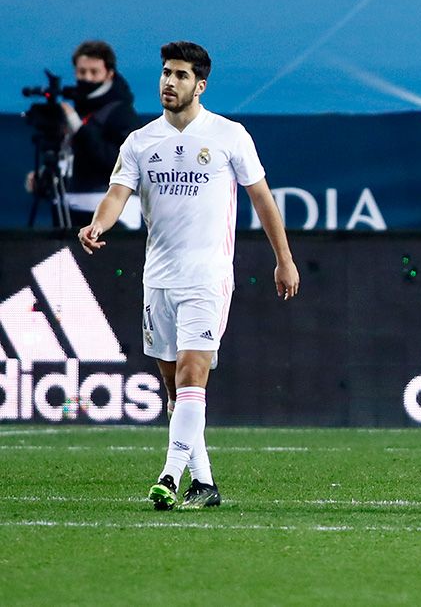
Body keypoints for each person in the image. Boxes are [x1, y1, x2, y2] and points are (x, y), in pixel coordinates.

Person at [79, 41, 300, 511]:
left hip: (208, 276)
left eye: (180, 75)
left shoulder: (229, 136)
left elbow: (262, 199)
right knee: (175, 389)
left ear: (200, 85)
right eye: (165, 73)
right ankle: (204, 483)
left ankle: (169, 475)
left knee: (193, 371)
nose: (168, 82)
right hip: (158, 278)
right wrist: (100, 223)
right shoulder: (140, 141)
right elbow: (117, 194)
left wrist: (284, 257)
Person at [24, 40, 141, 228]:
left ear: (109, 73)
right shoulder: (77, 110)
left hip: (113, 215)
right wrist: (45, 180)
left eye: (94, 72)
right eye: (82, 72)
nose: (87, 78)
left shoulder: (122, 113)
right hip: (71, 210)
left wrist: (80, 129)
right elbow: (73, 161)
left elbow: (119, 164)